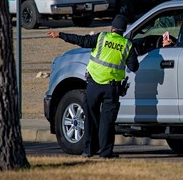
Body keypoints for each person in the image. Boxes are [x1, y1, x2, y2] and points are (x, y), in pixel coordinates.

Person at [47, 14, 139, 158]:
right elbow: (134, 67)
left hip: (93, 85)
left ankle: (88, 150)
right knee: (107, 122)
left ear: (112, 28)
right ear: (123, 30)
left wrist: (61, 35)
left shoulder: (101, 37)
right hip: (112, 88)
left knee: (90, 118)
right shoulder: (127, 44)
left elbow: (81, 40)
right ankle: (105, 153)